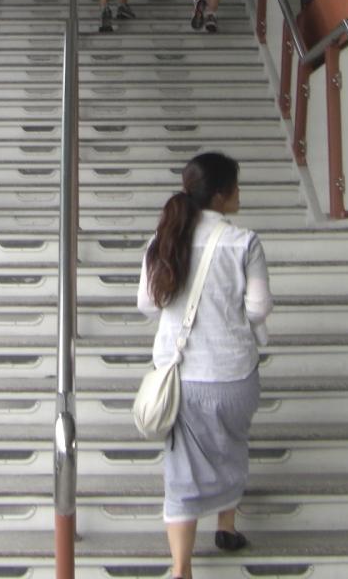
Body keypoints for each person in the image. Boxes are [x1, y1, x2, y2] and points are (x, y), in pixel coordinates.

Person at [137, 152, 272, 579]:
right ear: (220, 194)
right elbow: (258, 308)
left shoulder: (163, 239)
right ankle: (226, 529)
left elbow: (147, 304)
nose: (239, 193)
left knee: (183, 468)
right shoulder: (244, 241)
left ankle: (182, 567)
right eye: (235, 186)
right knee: (231, 444)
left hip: (183, 377)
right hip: (234, 373)